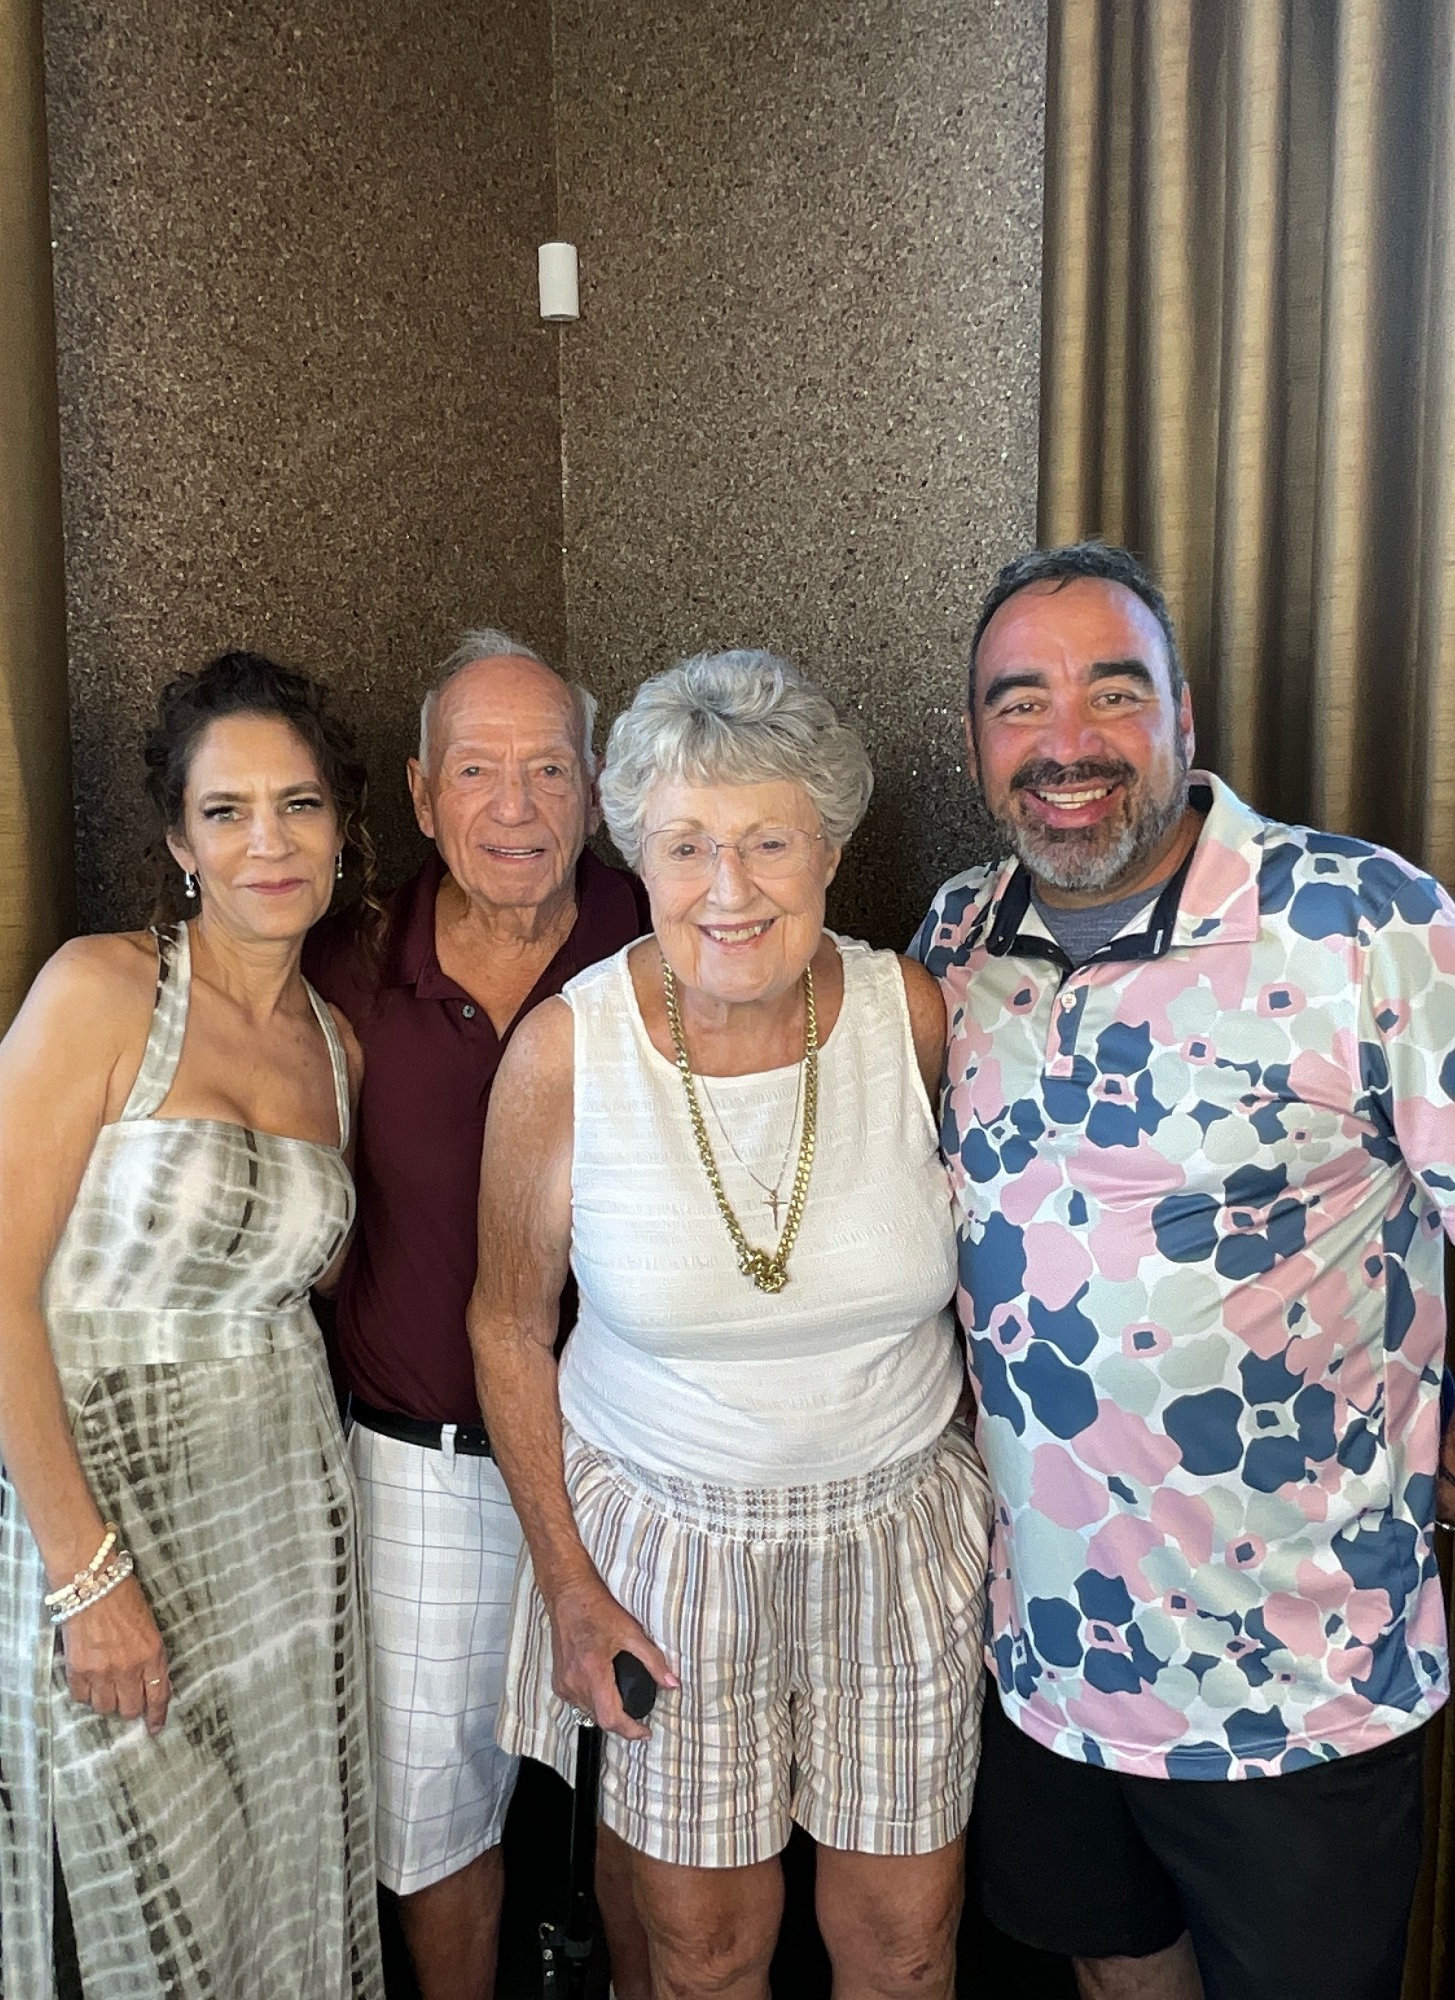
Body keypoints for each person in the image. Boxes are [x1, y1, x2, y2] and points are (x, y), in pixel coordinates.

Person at [913, 541, 1455, 2000]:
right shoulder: (956, 940)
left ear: (1184, 715)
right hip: (1051, 1659)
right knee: (1114, 1975)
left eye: (1114, 692)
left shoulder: (1362, 924)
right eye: (1020, 703)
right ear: (975, 741)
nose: (1068, 743)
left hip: (1301, 1685)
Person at [470, 649, 991, 2000]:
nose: (730, 887)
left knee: (907, 1946)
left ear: (832, 850)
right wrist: (569, 1586)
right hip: (667, 1553)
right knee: (701, 1954)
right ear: (637, 858)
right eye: (688, 845)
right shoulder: (567, 1052)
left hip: (898, 1540)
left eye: (769, 841)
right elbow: (507, 1329)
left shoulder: (910, 1014)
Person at [0, 652, 383, 1998]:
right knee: (142, 1920)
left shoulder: (339, 1049)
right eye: (227, 811)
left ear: (342, 830)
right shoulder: (101, 991)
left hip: (279, 1523)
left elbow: (298, 1289)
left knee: (269, 1887)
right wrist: (87, 1578)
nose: (270, 842)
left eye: (300, 805)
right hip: (101, 1519)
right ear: (179, 843)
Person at [303, 630, 650, 2000]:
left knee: (648, 1785)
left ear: (596, 787)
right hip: (420, 1468)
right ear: (421, 791)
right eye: (476, 771)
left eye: (549, 769)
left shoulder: (663, 927)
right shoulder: (347, 962)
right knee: (433, 1813)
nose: (516, 807)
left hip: (631, 1456)